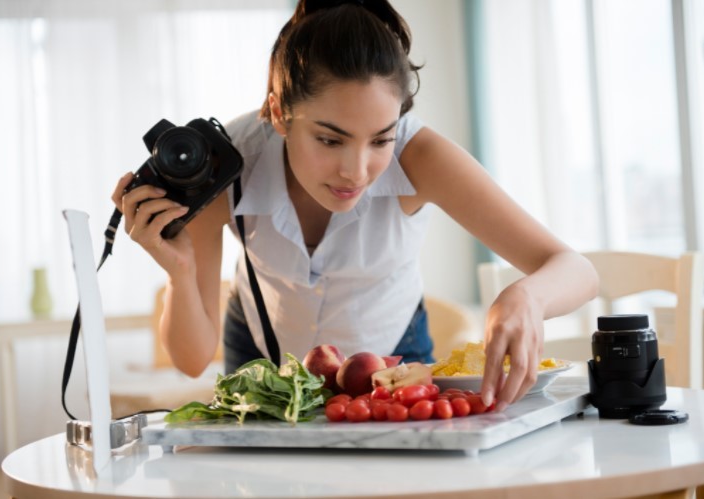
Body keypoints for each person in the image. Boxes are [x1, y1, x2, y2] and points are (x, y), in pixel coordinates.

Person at [112, 0, 598, 412]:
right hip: (264, 355)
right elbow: (192, 360)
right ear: (280, 112)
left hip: (394, 355)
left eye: (380, 138)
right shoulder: (228, 161)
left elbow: (576, 270)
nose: (357, 170)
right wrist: (179, 272)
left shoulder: (420, 155)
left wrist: (525, 297)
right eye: (329, 139)